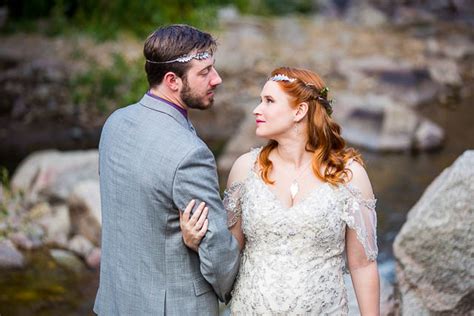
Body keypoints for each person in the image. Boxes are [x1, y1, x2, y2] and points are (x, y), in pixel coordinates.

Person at [181, 67, 380, 315]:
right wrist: (197, 242)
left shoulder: (349, 176)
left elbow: (362, 264)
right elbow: (229, 252)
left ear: (299, 111)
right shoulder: (245, 169)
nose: (256, 109)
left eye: (269, 101)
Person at [94, 24, 240, 315]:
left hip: (114, 302)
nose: (217, 79)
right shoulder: (190, 154)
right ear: (172, 80)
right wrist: (232, 288)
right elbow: (217, 249)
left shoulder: (115, 123)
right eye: (205, 72)